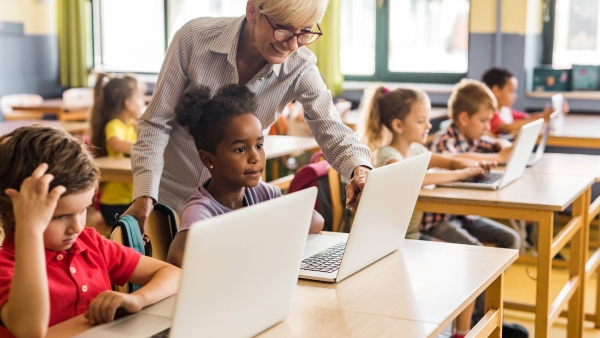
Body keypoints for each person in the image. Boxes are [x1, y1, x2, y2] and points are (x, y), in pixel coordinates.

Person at [126, 0, 372, 238]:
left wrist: (359, 170)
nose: (293, 45)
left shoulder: (300, 65)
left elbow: (331, 129)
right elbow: (155, 123)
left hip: (238, 207)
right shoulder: (193, 39)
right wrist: (145, 196)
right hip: (171, 203)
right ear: (252, 10)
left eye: (305, 32)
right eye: (284, 29)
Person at [0, 126, 180, 337]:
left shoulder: (89, 243)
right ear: (16, 213)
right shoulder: (6, 267)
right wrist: (29, 229)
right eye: (60, 216)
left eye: (83, 209)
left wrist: (137, 299)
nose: (77, 227)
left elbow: (174, 275)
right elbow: (30, 331)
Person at [359, 86, 494, 338]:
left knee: (470, 261)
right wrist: (463, 173)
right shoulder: (388, 156)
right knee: (466, 261)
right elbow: (420, 176)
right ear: (398, 125)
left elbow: (450, 160)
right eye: (421, 121)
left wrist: (473, 164)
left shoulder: (419, 151)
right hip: (393, 243)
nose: (428, 126)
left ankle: (461, 333)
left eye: (427, 120)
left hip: (412, 237)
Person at [166, 84, 324, 267]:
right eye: (240, 149)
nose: (255, 157)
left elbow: (315, 221)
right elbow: (178, 255)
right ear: (208, 159)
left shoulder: (264, 193)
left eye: (259, 146)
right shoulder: (202, 209)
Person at [426, 79, 521, 249]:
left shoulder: (474, 138)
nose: (487, 127)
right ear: (464, 118)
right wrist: (497, 158)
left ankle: (499, 277)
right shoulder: (444, 140)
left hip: (462, 215)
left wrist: (501, 144)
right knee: (478, 252)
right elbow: (452, 159)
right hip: (439, 220)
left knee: (511, 239)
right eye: (483, 121)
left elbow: (497, 142)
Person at [90, 74, 145, 225]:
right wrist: (144, 148)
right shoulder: (114, 124)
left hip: (129, 199)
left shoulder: (131, 125)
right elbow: (116, 143)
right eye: (140, 98)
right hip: (114, 204)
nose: (143, 102)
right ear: (128, 104)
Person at [481, 67, 568, 136]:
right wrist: (544, 118)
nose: (515, 96)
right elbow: (506, 127)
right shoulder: (489, 113)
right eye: (511, 91)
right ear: (497, 91)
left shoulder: (505, 111)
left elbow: (527, 117)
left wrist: (549, 114)